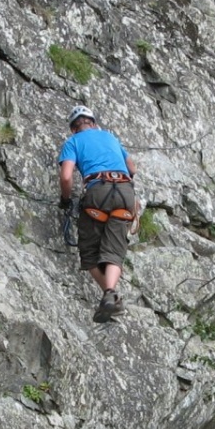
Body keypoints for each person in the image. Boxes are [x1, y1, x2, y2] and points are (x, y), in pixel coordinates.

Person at [58, 104, 140, 322]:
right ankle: (110, 295)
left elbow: (66, 177)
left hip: (98, 192)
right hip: (125, 194)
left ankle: (109, 294)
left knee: (90, 251)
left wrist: (65, 200)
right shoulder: (110, 138)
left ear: (73, 128)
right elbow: (132, 169)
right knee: (114, 248)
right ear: (93, 123)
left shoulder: (73, 142)